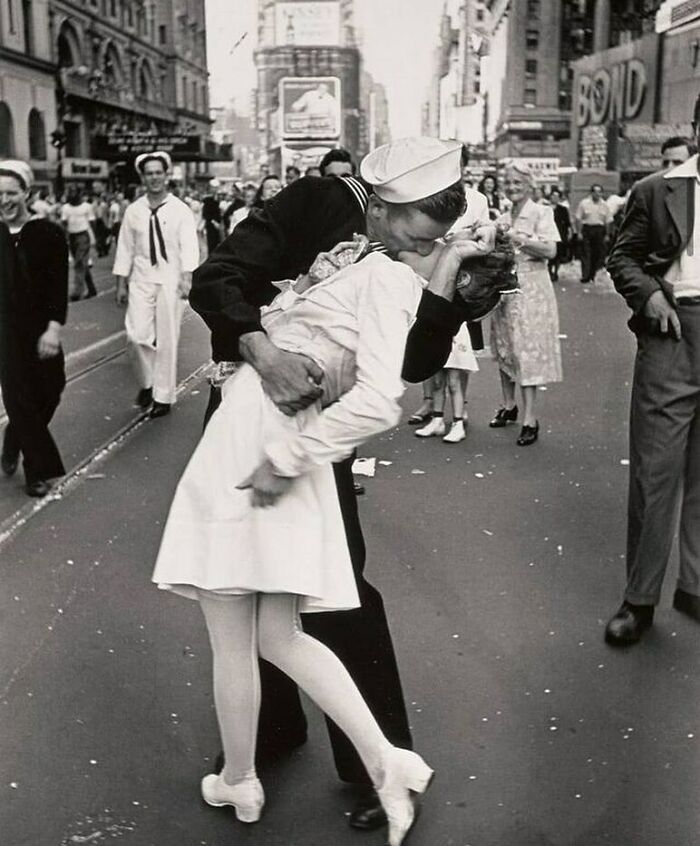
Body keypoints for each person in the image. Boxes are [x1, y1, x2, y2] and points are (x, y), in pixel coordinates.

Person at [189, 136, 495, 831]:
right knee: (244, 579)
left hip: (321, 430)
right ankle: (267, 733)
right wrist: (264, 354)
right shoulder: (317, 201)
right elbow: (218, 278)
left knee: (337, 586)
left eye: (436, 239)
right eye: (416, 234)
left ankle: (374, 762)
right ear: (383, 206)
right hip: (251, 400)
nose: (420, 250)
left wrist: (444, 284)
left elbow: (412, 367)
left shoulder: (433, 255)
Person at [603, 97, 700, 646]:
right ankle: (638, 601)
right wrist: (649, 298)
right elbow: (623, 258)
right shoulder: (658, 190)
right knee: (655, 475)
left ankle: (694, 586)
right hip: (673, 332)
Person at [113, 151, 200, 418]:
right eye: (149, 173)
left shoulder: (180, 209)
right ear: (143, 177)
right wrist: (120, 283)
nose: (154, 178)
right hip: (141, 279)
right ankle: (148, 383)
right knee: (136, 336)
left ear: (166, 175)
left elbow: (189, 246)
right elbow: (125, 248)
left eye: (158, 173)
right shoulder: (134, 211)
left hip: (170, 280)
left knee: (167, 339)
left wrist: (187, 278)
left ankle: (163, 396)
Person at [0, 160, 68, 497]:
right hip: (3, 333)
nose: (4, 200)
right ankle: (36, 470)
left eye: (11, 193)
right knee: (18, 396)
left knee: (51, 389)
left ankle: (14, 436)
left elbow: (58, 286)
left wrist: (53, 328)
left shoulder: (48, 233)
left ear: (27, 192)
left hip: (40, 328)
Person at [489, 161, 562, 446]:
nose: (512, 187)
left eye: (518, 183)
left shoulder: (542, 213)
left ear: (530, 185)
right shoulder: (502, 215)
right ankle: (509, 405)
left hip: (532, 288)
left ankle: (530, 418)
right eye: (508, 183)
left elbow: (550, 250)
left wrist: (515, 238)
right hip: (506, 288)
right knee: (505, 347)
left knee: (527, 350)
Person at [61, 187, 97, 300]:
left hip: (83, 236)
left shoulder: (86, 207)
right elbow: (64, 223)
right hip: (72, 236)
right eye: (70, 193)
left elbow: (92, 222)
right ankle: (92, 289)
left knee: (79, 262)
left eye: (74, 193)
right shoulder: (66, 208)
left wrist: (92, 237)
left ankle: (77, 291)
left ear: (79, 194)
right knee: (82, 264)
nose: (72, 196)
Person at [575, 183, 613, 284]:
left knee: (597, 254)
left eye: (599, 192)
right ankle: (585, 276)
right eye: (595, 192)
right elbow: (578, 218)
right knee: (586, 253)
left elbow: (608, 221)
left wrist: (607, 234)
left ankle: (592, 275)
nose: (597, 194)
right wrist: (579, 232)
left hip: (599, 230)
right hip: (587, 229)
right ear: (591, 193)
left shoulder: (605, 205)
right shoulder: (584, 203)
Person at [548, 187, 573, 281]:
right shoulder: (545, 208)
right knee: (550, 254)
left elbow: (567, 223)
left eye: (557, 197)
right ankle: (550, 271)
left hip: (560, 233)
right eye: (553, 196)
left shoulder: (563, 209)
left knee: (558, 254)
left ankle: (556, 272)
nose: (555, 198)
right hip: (548, 234)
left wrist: (569, 232)